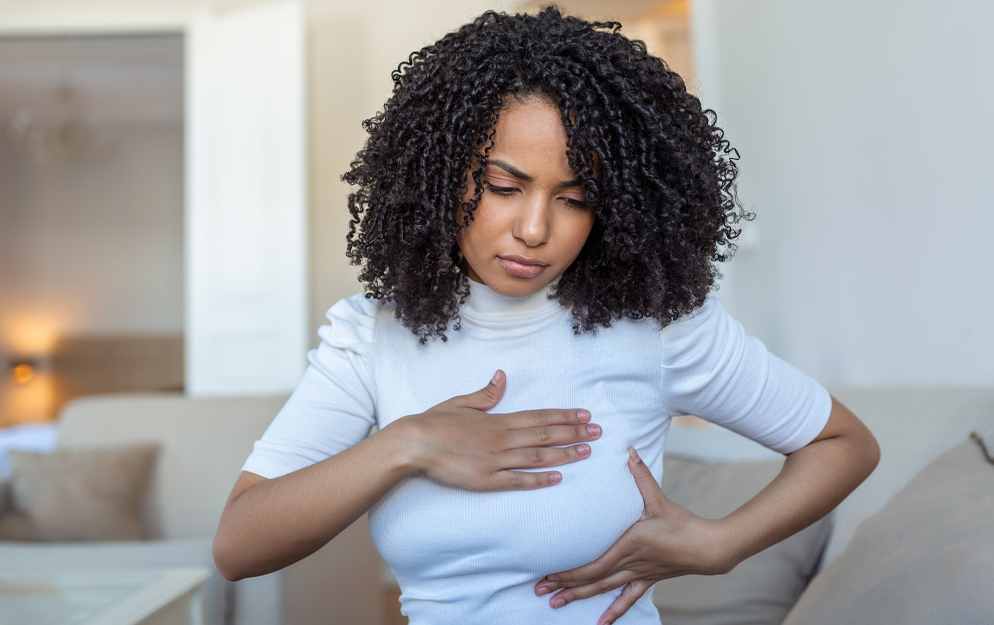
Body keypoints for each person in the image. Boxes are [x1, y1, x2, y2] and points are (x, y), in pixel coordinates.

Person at [213, 8, 880, 625]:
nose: (535, 228)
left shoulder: (656, 326)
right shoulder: (371, 336)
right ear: (441, 176)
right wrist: (406, 445)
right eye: (504, 187)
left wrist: (720, 544)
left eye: (575, 198)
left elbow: (843, 444)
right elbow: (238, 545)